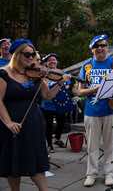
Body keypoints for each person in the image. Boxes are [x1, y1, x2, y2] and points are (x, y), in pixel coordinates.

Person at [0, 39, 68, 191]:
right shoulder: (4, 74)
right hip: (12, 125)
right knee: (13, 164)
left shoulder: (36, 75)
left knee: (37, 164)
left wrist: (60, 83)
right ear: (17, 55)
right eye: (28, 55)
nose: (32, 58)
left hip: (33, 124)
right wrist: (8, 122)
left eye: (33, 55)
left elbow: (48, 95)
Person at [77, 35, 113, 187]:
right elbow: (80, 92)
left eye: (103, 45)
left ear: (107, 47)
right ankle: (91, 173)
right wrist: (98, 88)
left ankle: (109, 173)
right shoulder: (87, 66)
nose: (100, 48)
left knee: (110, 145)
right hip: (91, 111)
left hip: (111, 110)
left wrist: (112, 84)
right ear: (92, 49)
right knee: (92, 145)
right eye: (97, 46)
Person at [40, 53, 69, 153]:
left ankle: (57, 139)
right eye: (50, 60)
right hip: (48, 104)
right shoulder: (43, 74)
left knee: (61, 123)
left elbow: (67, 86)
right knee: (49, 125)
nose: (52, 61)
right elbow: (45, 88)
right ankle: (49, 144)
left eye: (54, 60)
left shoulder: (62, 72)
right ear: (46, 63)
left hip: (60, 104)